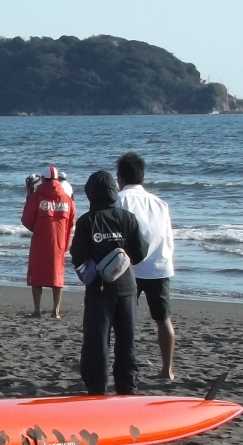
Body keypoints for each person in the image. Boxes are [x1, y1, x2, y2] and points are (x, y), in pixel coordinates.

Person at [71, 171, 148, 395]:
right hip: (127, 289)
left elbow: (77, 255)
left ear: (91, 193)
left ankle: (97, 389)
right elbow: (140, 252)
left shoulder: (87, 221)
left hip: (99, 290)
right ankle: (127, 388)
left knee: (97, 342)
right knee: (126, 341)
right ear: (114, 191)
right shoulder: (127, 218)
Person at [116, 152, 176, 379]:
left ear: (120, 178)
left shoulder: (120, 200)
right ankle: (167, 369)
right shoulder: (159, 203)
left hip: (128, 267)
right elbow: (167, 237)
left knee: (123, 320)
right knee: (163, 319)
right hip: (159, 265)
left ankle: (125, 366)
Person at [22, 166, 75, 318]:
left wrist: (39, 227)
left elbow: (27, 219)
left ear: (43, 179)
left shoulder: (37, 197)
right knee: (57, 275)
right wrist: (65, 241)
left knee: (37, 275)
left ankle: (37, 310)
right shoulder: (66, 198)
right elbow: (71, 221)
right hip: (59, 242)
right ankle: (56, 311)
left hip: (40, 241)